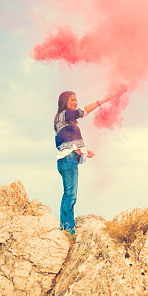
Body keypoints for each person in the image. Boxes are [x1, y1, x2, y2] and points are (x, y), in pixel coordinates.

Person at [54, 91, 111, 234]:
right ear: (64, 102)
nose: (75, 102)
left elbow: (70, 142)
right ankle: (67, 229)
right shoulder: (64, 115)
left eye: (76, 99)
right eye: (72, 100)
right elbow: (82, 112)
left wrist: (85, 152)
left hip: (69, 159)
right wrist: (101, 101)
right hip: (67, 160)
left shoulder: (67, 121)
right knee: (70, 195)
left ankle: (67, 227)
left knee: (70, 194)